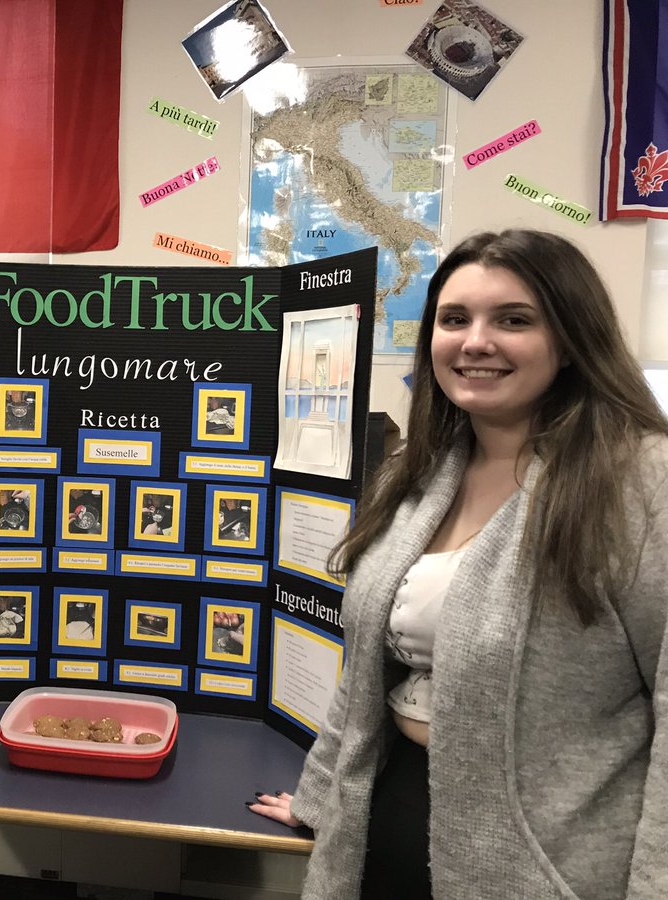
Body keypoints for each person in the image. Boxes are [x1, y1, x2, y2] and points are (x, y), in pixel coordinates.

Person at [250, 229, 668, 899]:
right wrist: (322, 797)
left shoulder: (642, 482)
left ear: (571, 341)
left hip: (548, 866)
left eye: (514, 320)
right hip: (386, 834)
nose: (476, 341)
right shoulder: (412, 476)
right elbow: (364, 676)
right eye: (454, 319)